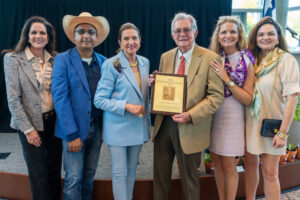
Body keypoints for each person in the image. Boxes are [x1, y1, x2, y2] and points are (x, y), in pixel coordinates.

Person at [151, 12, 224, 200]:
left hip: (192, 126)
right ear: (172, 35)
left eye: (186, 30)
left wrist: (190, 115)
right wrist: (155, 84)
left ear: (195, 32)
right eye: (177, 31)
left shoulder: (210, 58)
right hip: (164, 125)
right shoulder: (166, 57)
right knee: (160, 178)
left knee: (190, 180)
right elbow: (165, 91)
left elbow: (216, 97)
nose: (182, 34)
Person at [51, 12, 109, 200]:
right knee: (73, 179)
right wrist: (72, 134)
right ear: (73, 36)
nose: (86, 36)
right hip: (73, 130)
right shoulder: (62, 60)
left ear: (97, 36)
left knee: (89, 177)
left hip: (98, 129)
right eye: (81, 31)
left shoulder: (104, 62)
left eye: (90, 32)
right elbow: (60, 98)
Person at [3, 16, 62, 200]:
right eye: (34, 32)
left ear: (48, 37)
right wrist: (29, 130)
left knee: (54, 171)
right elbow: (13, 99)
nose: (38, 36)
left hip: (54, 122)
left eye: (42, 33)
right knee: (38, 174)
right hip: (29, 124)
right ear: (27, 36)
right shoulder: (13, 59)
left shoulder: (56, 59)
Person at [244, 16, 300, 200]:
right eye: (260, 34)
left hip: (272, 126)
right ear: (255, 38)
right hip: (250, 123)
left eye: (270, 34)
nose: (265, 37)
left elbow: (292, 99)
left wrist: (283, 133)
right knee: (250, 168)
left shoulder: (286, 60)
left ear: (278, 37)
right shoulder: (252, 61)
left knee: (270, 173)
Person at [94, 22, 150, 200]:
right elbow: (99, 100)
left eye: (134, 38)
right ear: (119, 42)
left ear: (140, 40)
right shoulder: (111, 64)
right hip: (117, 128)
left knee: (132, 170)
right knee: (120, 173)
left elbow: (142, 95)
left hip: (137, 126)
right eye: (126, 38)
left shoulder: (145, 62)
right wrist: (126, 105)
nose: (131, 42)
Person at [208, 16, 255, 200]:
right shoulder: (212, 57)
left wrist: (226, 78)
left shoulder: (247, 58)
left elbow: (247, 99)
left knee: (229, 165)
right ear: (218, 35)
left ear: (239, 34)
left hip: (234, 117)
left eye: (232, 31)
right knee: (216, 163)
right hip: (213, 116)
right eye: (224, 32)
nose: (228, 35)